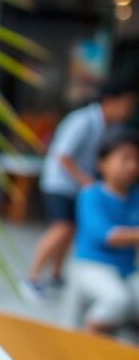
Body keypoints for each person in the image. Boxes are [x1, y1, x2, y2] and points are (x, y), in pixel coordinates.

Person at [25, 78, 137, 297]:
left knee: (70, 228)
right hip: (60, 182)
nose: (129, 110)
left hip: (75, 185)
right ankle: (32, 276)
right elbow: (62, 155)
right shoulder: (84, 120)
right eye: (127, 104)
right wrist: (87, 181)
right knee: (63, 228)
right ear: (111, 101)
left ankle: (56, 275)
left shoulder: (108, 125)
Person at [72, 128, 139, 334]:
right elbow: (108, 235)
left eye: (136, 159)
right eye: (124, 158)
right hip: (91, 265)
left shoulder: (135, 196)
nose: (132, 166)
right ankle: (89, 338)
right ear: (102, 163)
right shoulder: (91, 195)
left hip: (127, 269)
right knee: (116, 299)